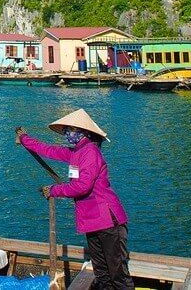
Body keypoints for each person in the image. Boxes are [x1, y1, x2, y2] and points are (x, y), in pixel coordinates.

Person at [17, 109, 131, 289]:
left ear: (83, 132)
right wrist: (25, 140)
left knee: (117, 274)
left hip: (108, 221)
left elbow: (82, 186)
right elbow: (49, 150)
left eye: (70, 130)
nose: (67, 134)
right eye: (66, 131)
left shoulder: (90, 152)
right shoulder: (75, 152)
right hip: (93, 221)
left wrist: (55, 190)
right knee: (102, 273)